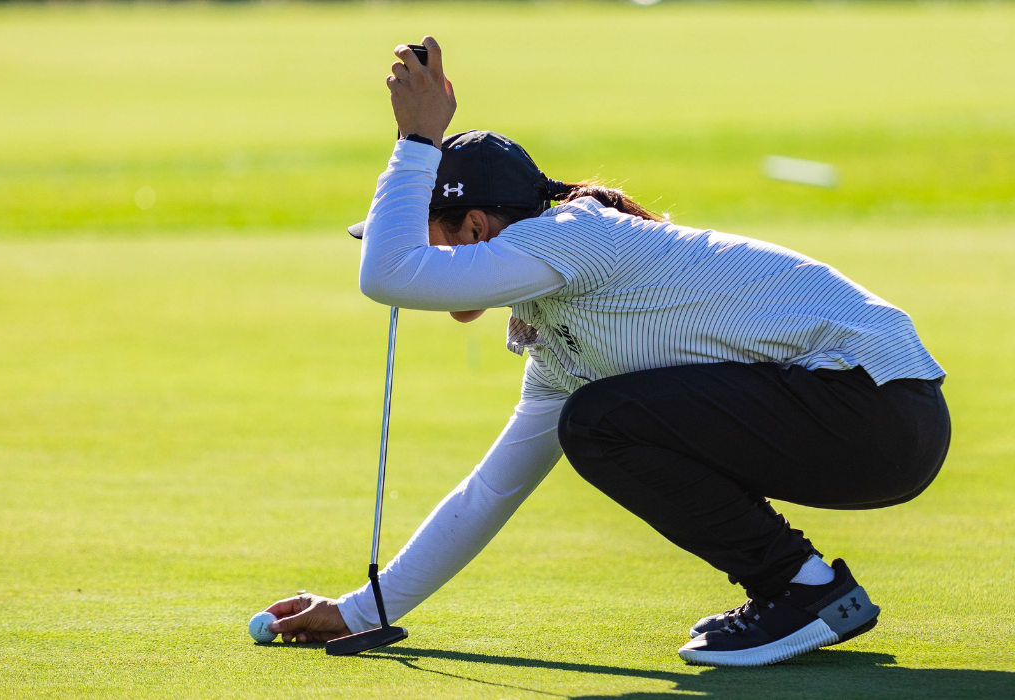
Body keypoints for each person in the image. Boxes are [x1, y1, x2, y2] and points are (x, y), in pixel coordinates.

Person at [262, 37, 950, 667]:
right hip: (864, 422)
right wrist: (360, 611)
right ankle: (798, 589)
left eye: (429, 238)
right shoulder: (559, 337)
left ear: (475, 226)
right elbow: (492, 490)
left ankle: (803, 590)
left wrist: (417, 138)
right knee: (595, 418)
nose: (422, 259)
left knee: (598, 420)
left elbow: (386, 275)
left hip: (875, 406)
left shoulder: (573, 238)